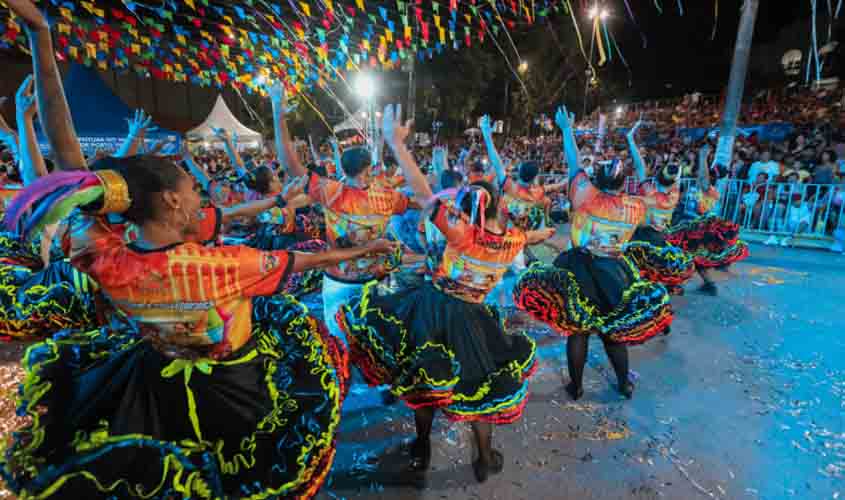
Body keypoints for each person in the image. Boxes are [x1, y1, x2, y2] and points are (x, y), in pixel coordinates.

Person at [0, 157, 399, 499]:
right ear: (173, 199)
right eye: (192, 188)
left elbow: (79, 184)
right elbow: (305, 260)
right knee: (247, 475)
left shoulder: (105, 257)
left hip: (155, 389)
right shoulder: (224, 267)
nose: (199, 195)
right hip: (235, 391)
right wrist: (367, 249)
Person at [338, 104, 553, 487]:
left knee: (427, 378)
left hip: (434, 310)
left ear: (469, 207)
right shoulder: (512, 241)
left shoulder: (461, 233)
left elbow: (424, 193)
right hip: (476, 317)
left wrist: (397, 145)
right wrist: (541, 235)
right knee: (479, 387)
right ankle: (484, 458)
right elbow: (529, 235)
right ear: (497, 205)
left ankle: (421, 447)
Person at [514, 105, 673, 401]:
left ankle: (576, 386)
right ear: (622, 182)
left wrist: (566, 130)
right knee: (614, 332)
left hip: (581, 269)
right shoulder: (636, 206)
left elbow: (574, 164)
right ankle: (624, 383)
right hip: (616, 271)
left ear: (596, 179)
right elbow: (644, 175)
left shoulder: (586, 195)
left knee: (579, 331)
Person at [623, 118, 695, 295]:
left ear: (657, 177)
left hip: (642, 234)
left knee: (635, 264)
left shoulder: (649, 191)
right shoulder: (674, 195)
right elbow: (675, 175)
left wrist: (631, 139)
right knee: (660, 263)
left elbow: (640, 166)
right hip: (661, 236)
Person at [666, 143, 749, 295]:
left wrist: (703, 156)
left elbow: (703, 178)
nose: (700, 174)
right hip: (688, 224)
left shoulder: (710, 189)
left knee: (683, 255)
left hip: (696, 227)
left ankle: (677, 283)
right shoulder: (701, 186)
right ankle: (708, 285)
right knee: (693, 258)